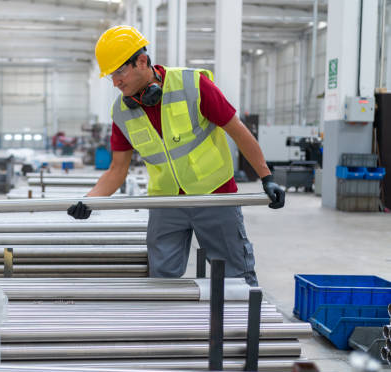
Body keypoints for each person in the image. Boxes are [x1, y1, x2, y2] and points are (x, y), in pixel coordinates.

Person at [67, 25, 285, 286]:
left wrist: (266, 176)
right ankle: (167, 326)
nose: (116, 82)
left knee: (236, 277)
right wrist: (90, 201)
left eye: (120, 72)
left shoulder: (192, 85)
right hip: (165, 202)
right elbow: (117, 169)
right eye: (111, 76)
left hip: (214, 195)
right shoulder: (122, 112)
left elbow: (238, 131)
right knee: (161, 279)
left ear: (142, 61)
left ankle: (243, 326)